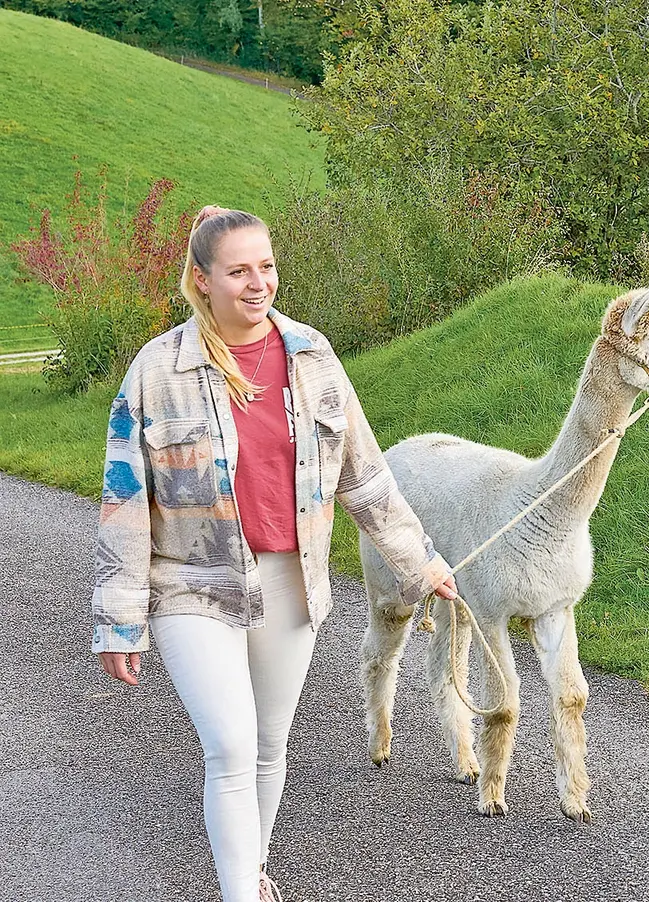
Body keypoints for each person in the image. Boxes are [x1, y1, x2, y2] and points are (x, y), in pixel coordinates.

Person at [92, 206, 459, 900]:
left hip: (291, 580)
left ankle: (250, 873)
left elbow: (365, 474)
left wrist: (422, 562)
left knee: (266, 747)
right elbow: (124, 499)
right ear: (202, 281)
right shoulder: (157, 370)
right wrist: (119, 618)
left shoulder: (313, 355)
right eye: (238, 271)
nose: (257, 283)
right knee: (229, 745)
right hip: (190, 584)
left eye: (266, 266)